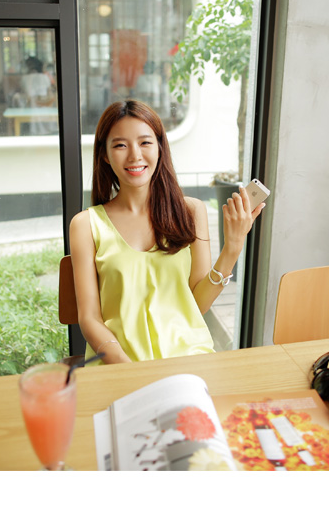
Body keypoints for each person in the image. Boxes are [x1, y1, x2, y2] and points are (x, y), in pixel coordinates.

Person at [71, 101, 263, 368]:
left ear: (160, 148)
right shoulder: (85, 225)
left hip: (186, 360)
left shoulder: (191, 211)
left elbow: (197, 305)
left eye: (145, 142)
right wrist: (128, 369)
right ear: (104, 154)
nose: (135, 155)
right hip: (119, 366)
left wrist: (233, 247)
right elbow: (89, 318)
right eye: (120, 145)